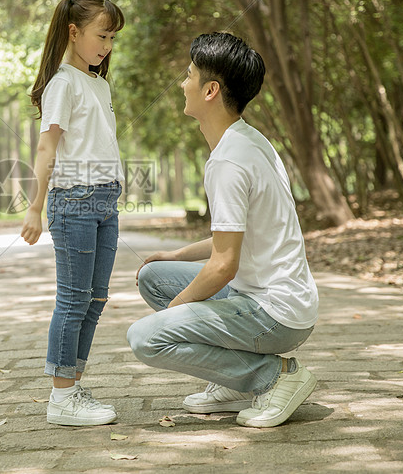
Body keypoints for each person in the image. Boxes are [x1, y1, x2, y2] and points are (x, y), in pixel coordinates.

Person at [126, 32, 319, 428]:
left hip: (275, 314)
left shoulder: (229, 162)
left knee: (145, 338)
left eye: (190, 74)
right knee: (153, 277)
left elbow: (223, 266)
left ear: (210, 90)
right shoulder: (248, 140)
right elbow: (234, 238)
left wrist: (176, 318)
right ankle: (233, 382)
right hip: (271, 297)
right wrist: (176, 256)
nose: (183, 83)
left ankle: (275, 378)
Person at [20, 0, 125, 426]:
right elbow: (47, 146)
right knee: (73, 300)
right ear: (74, 31)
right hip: (74, 204)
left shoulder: (97, 82)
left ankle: (73, 387)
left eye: (113, 38)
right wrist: (34, 207)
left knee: (95, 300)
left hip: (105, 203)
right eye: (102, 35)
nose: (107, 46)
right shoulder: (63, 83)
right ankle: (61, 396)